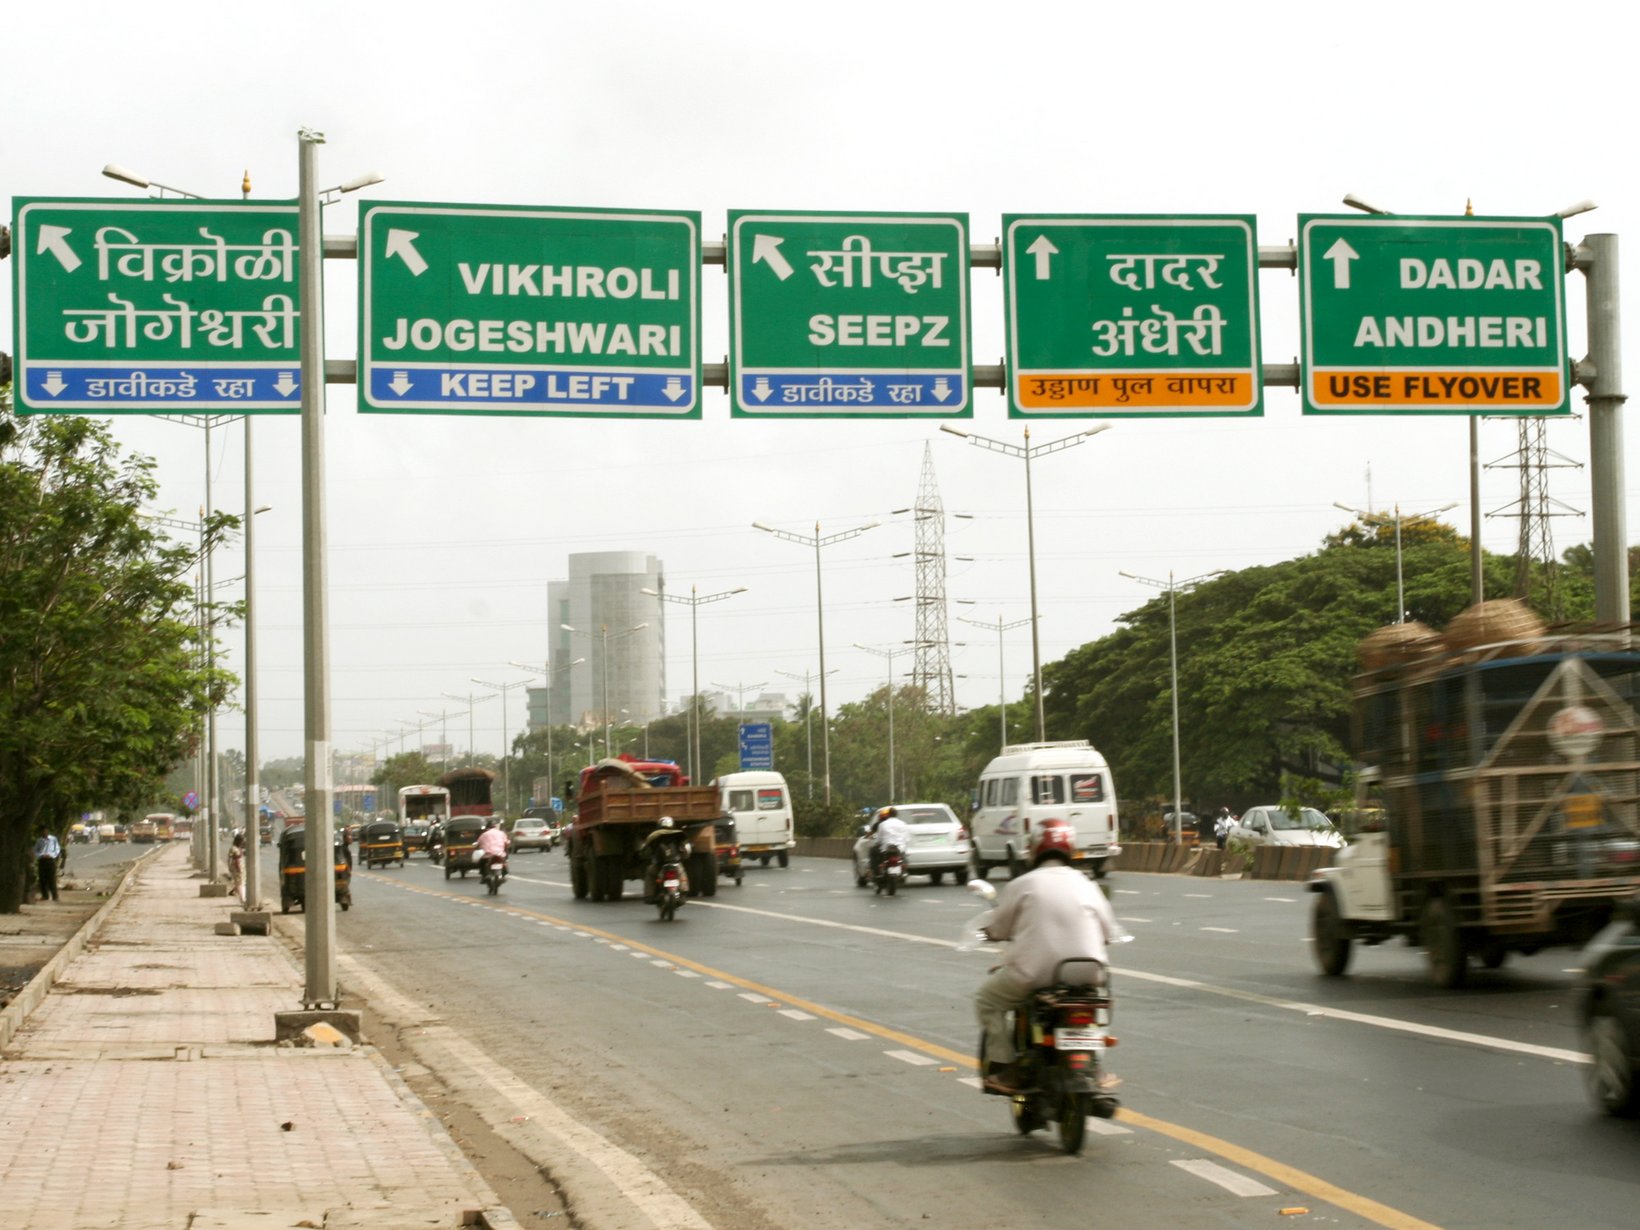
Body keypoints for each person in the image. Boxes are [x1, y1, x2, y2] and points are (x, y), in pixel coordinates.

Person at [974, 818, 1120, 1094]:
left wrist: (990, 932)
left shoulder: (1022, 884)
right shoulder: (1087, 883)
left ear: (1034, 849)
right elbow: (1109, 931)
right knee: (1092, 1007)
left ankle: (1005, 1066)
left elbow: (1000, 928)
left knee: (987, 1000)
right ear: (1070, 849)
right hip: (1088, 972)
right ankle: (1095, 1066)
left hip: (1034, 974)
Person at [641, 816, 691, 903]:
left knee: (650, 872)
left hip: (659, 864)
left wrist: (645, 856)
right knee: (682, 872)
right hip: (675, 863)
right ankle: (684, 891)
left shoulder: (654, 836)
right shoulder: (679, 834)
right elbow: (685, 850)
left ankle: (649, 896)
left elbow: (646, 852)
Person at [869, 806, 909, 880]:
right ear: (896, 814)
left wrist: (878, 843)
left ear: (889, 814)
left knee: (873, 851)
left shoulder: (882, 824)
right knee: (905, 855)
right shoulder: (903, 824)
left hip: (886, 848)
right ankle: (904, 870)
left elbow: (879, 840)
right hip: (900, 848)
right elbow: (906, 839)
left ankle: (876, 873)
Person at [33, 831, 64, 902]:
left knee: (52, 879)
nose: (44, 833)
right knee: (42, 879)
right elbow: (36, 850)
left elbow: (57, 849)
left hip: (50, 860)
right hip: (42, 860)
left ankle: (55, 896)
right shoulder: (39, 841)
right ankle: (45, 895)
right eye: (43, 832)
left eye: (46, 831)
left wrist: (52, 855)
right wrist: (41, 855)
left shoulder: (53, 839)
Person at [228, 831, 246, 900]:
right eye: (242, 841)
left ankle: (234, 892)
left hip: (241, 867)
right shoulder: (233, 849)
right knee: (239, 882)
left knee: (241, 881)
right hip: (236, 867)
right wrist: (230, 867)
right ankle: (242, 897)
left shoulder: (239, 848)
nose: (243, 843)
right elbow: (230, 858)